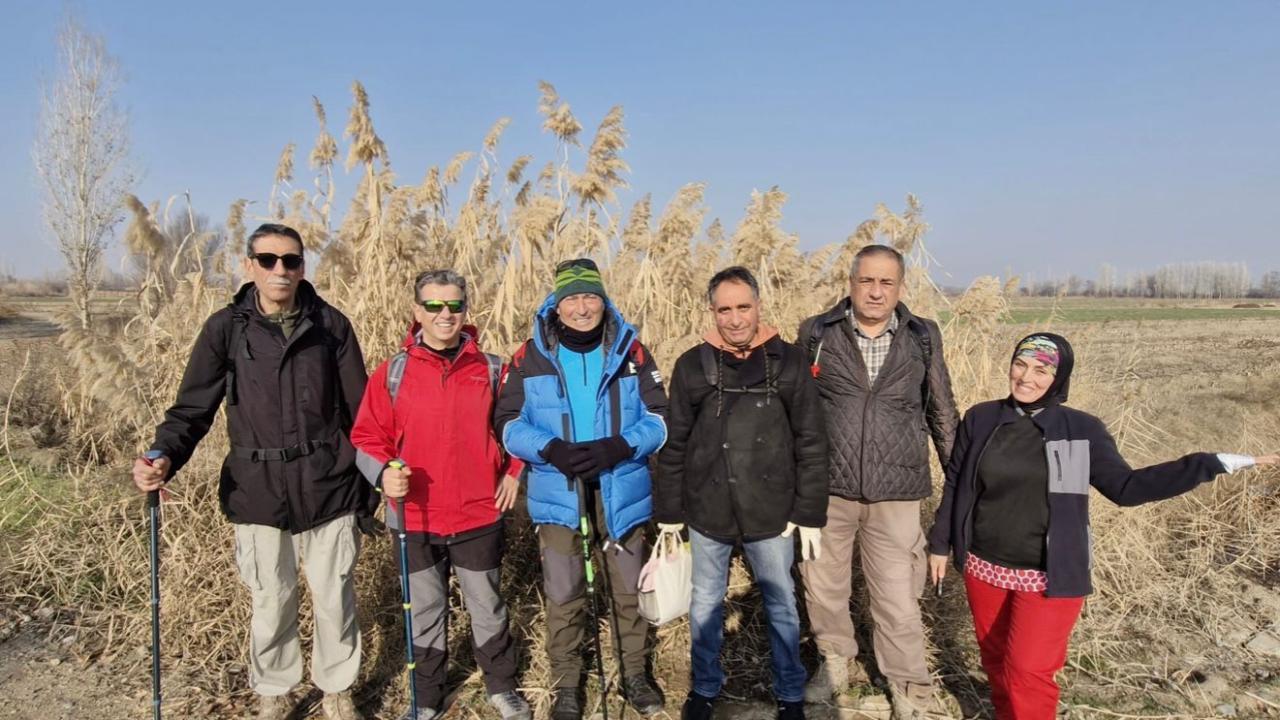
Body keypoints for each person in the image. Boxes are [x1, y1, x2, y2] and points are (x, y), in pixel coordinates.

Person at [927, 332, 1279, 720]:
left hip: (1050, 574)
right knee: (996, 662)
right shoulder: (983, 418)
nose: (1027, 377)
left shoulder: (1076, 430)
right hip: (985, 567)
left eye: (1042, 370)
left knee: (1028, 671)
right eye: (1021, 364)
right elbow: (958, 482)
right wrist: (941, 543)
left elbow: (1126, 488)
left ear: (1059, 378)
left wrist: (1211, 463)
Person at [131, 223, 370, 720]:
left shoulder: (332, 326)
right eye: (267, 260)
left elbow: (361, 414)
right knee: (272, 599)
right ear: (249, 266)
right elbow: (192, 408)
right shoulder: (226, 328)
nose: (279, 269)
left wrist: (373, 487)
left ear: (303, 266)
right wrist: (163, 456)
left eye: (290, 260)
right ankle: (275, 689)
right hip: (257, 488)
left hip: (329, 484)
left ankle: (336, 689)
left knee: (333, 599)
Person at [349, 269, 531, 720]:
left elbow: (519, 426)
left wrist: (514, 471)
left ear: (466, 310)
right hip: (414, 517)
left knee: (486, 604)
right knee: (426, 609)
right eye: (433, 305)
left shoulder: (491, 369)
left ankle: (501, 687)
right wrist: (382, 475)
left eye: (454, 305)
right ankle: (427, 697)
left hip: (478, 513)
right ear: (417, 312)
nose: (444, 314)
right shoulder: (393, 373)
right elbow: (366, 438)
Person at [493, 258, 668, 720]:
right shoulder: (529, 356)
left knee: (629, 592)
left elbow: (660, 419)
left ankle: (634, 675)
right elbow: (507, 424)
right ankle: (567, 684)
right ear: (556, 304)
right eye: (572, 297)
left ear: (603, 299)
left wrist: (621, 445)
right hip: (559, 493)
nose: (582, 307)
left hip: (621, 491)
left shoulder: (633, 352)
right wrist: (549, 448)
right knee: (564, 592)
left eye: (590, 296)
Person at [654, 266, 828, 720]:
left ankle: (790, 693)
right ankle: (705, 689)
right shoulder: (692, 364)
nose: (734, 319)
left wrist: (809, 511)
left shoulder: (789, 362)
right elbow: (675, 442)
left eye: (743, 307)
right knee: (705, 603)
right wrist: (670, 511)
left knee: (781, 602)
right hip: (708, 510)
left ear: (758, 306)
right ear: (712, 312)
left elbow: (811, 440)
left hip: (771, 513)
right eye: (724, 309)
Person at [796, 244, 959, 718]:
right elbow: (800, 410)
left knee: (898, 598)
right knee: (823, 588)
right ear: (850, 283)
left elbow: (941, 410)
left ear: (900, 287)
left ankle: (910, 689)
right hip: (829, 488)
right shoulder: (817, 332)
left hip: (897, 490)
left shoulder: (921, 335)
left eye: (887, 282)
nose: (875, 291)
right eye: (867, 280)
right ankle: (834, 666)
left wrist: (960, 483)